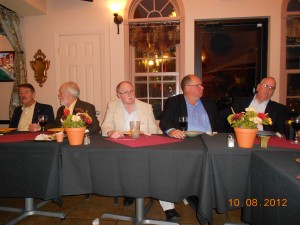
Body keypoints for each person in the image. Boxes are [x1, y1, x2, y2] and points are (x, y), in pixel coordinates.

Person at [101, 81, 180, 222]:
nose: (130, 94)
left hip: (144, 147)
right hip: (123, 148)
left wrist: (150, 136)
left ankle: (169, 207)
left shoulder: (145, 107)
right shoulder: (113, 106)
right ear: (118, 95)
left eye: (132, 91)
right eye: (125, 92)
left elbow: (154, 130)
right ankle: (131, 192)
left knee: (159, 170)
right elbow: (105, 125)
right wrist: (110, 131)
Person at [160, 74, 219, 139]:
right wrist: (171, 131)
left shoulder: (209, 103)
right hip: (184, 141)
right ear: (187, 88)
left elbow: (219, 123)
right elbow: (165, 121)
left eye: (201, 85)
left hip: (209, 140)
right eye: (198, 85)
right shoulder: (174, 102)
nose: (202, 87)